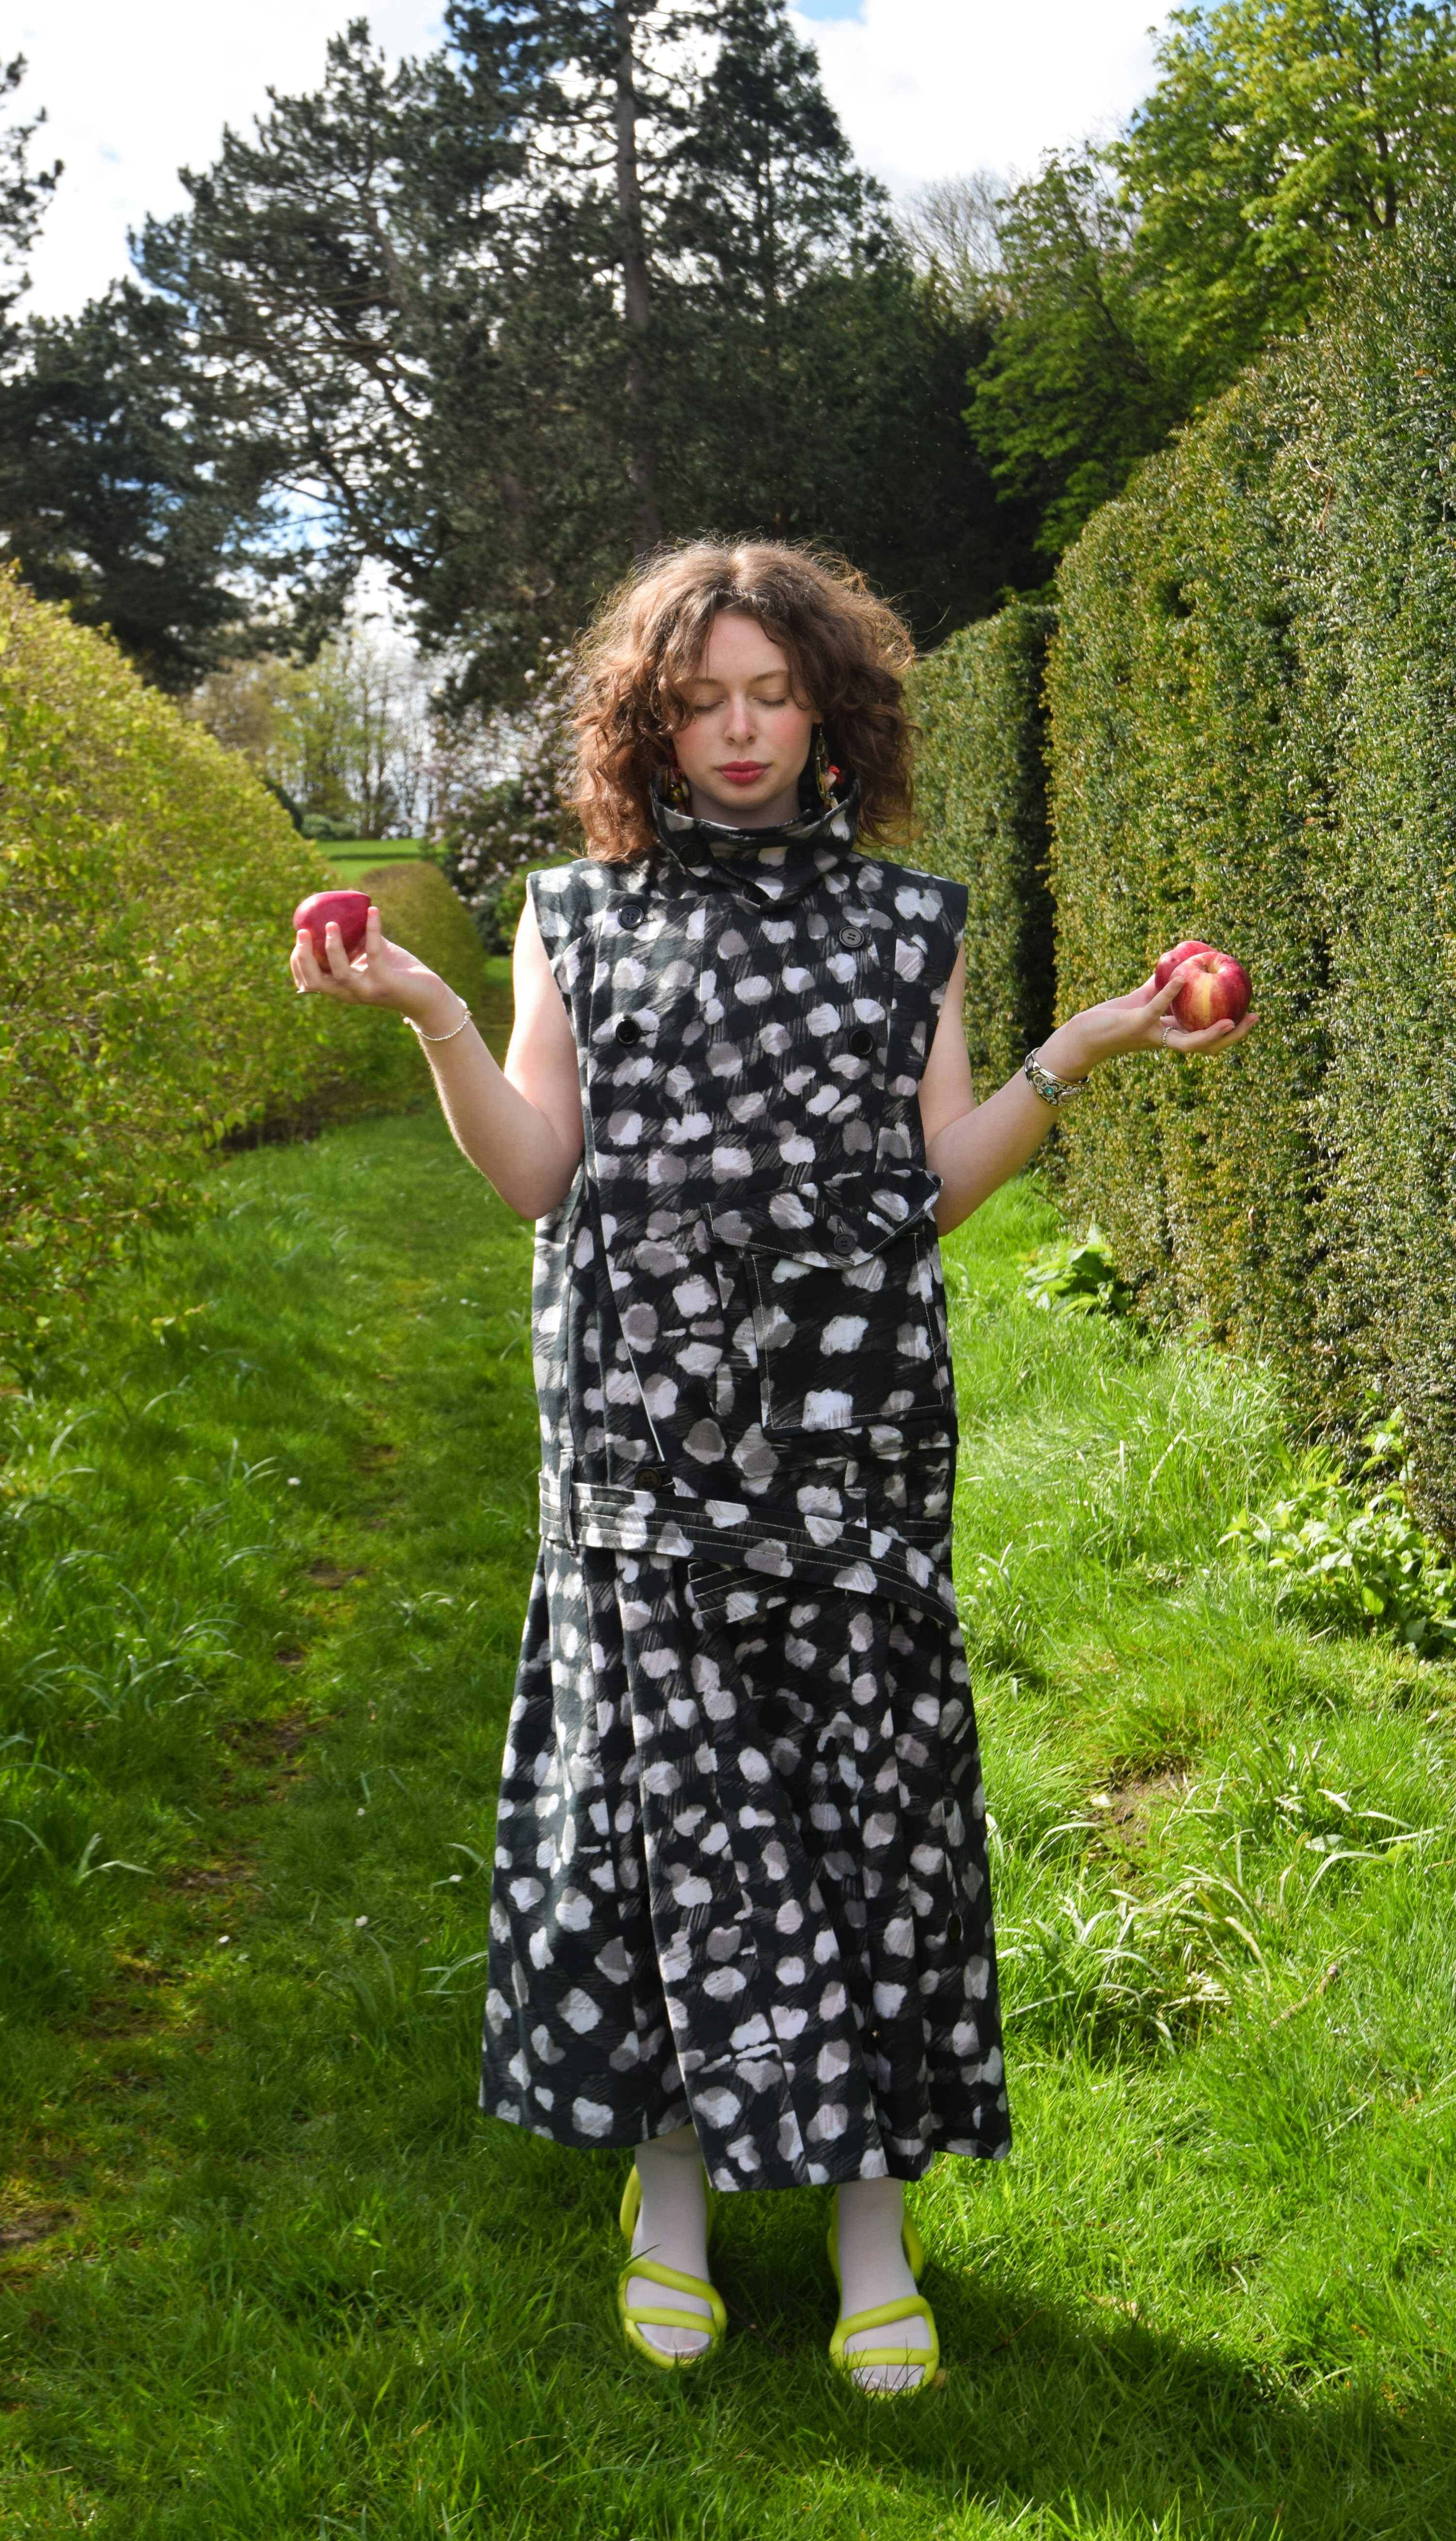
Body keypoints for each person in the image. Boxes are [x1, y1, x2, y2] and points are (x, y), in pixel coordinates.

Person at [289, 541, 1254, 2392]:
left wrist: (1088, 1046)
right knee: (672, 1802)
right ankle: (668, 2194)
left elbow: (923, 1198)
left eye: (771, 696)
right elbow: (535, 1180)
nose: (738, 734)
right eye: (700, 702)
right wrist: (432, 1014)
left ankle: (870, 2222)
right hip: (639, 1435)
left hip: (855, 1428)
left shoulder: (912, 925)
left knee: (862, 1801)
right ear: (648, 724)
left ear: (831, 711)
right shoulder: (573, 914)